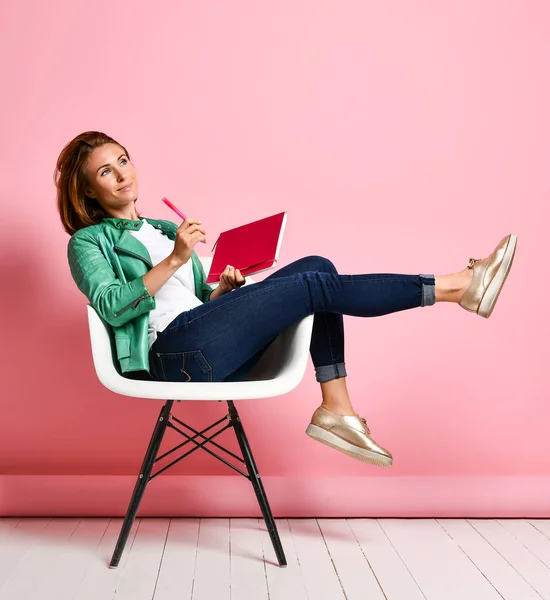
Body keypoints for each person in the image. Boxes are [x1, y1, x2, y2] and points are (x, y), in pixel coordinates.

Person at [56, 131, 518, 468]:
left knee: (317, 264)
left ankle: (336, 406)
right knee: (310, 289)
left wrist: (221, 293)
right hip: (172, 356)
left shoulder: (159, 228)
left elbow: (190, 301)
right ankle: (457, 286)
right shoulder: (88, 242)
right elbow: (114, 304)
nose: (121, 175)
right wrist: (177, 258)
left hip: (206, 339)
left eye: (123, 160)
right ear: (88, 192)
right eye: (105, 171)